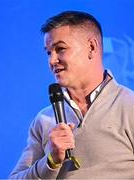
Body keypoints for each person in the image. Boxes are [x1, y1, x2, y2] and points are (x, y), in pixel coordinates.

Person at [9, 11, 134, 179]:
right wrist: (50, 161)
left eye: (60, 49)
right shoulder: (44, 120)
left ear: (91, 47)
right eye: (48, 52)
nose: (52, 60)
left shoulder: (129, 106)